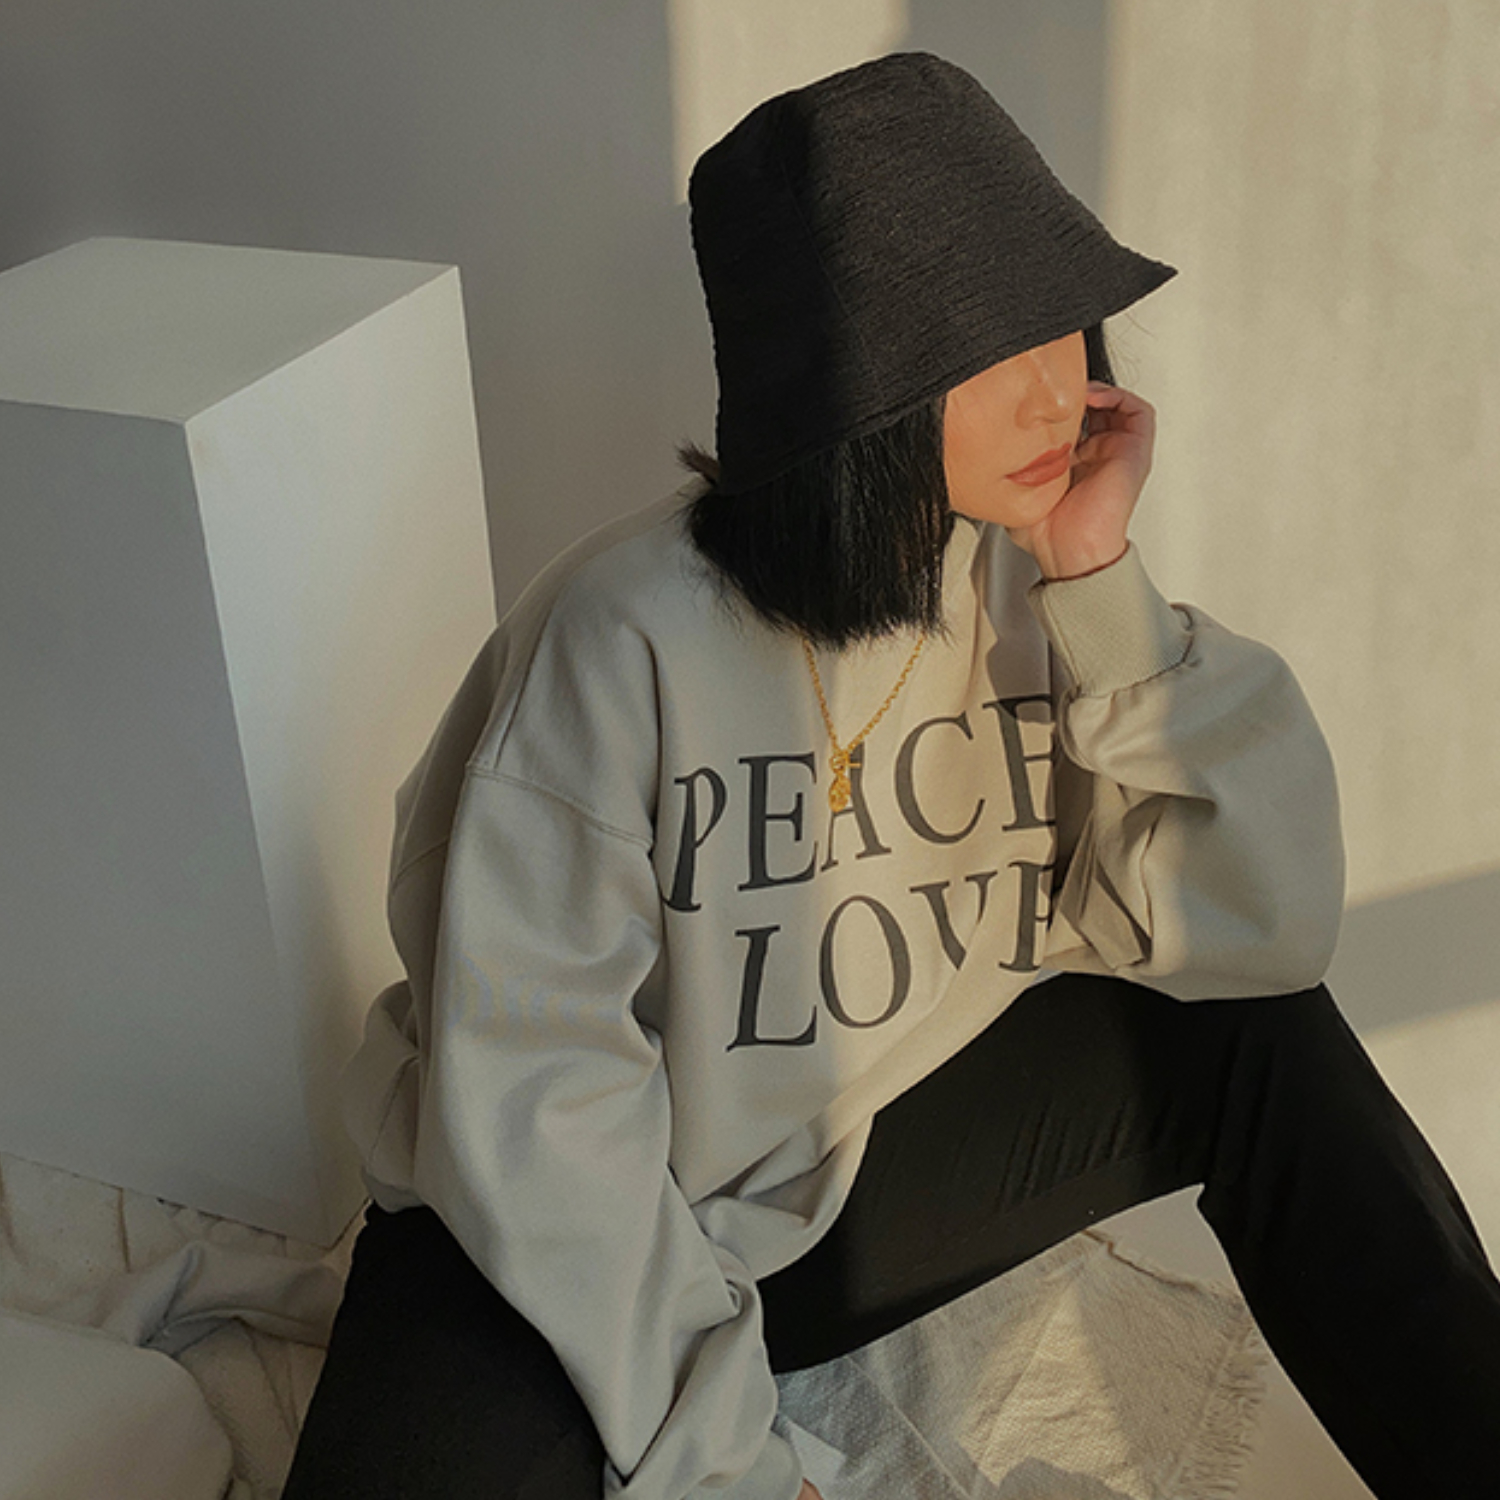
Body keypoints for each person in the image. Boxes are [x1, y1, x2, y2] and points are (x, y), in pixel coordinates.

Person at [282, 52, 1500, 1500]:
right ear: (843, 381)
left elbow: (1260, 935)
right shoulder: (618, 639)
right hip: (549, 1221)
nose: (1060, 395)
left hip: (830, 1188)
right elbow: (539, 1102)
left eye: (1064, 328)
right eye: (991, 351)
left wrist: (1102, 580)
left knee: (1262, 1042)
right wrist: (722, 1453)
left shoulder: (1031, 581)